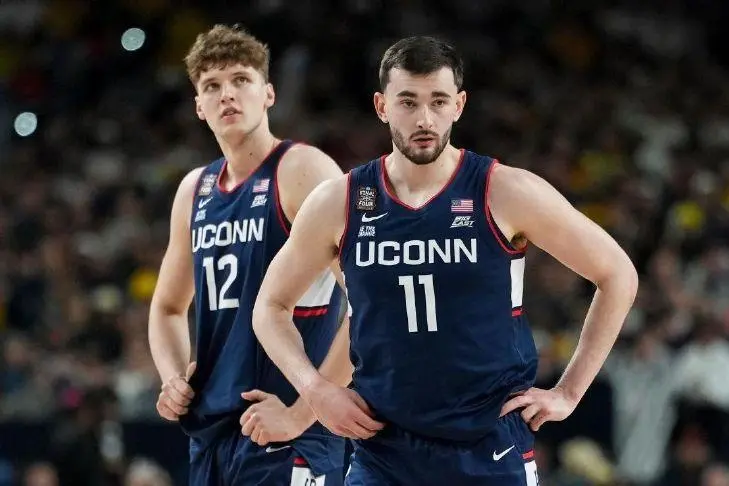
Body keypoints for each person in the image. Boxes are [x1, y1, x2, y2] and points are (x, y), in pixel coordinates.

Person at [250, 35, 639, 485]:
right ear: (381, 106)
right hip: (382, 451)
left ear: (459, 105)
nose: (424, 118)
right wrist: (315, 390)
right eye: (408, 102)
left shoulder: (504, 190)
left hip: (490, 448)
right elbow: (269, 307)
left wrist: (569, 392)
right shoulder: (340, 201)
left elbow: (617, 274)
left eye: (438, 101)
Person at [147, 24, 355, 485]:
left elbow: (370, 301)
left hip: (290, 431)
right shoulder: (194, 189)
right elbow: (167, 307)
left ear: (268, 94)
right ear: (198, 106)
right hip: (213, 430)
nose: (227, 94)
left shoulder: (302, 170)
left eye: (241, 79)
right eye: (211, 86)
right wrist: (173, 377)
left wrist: (304, 412)